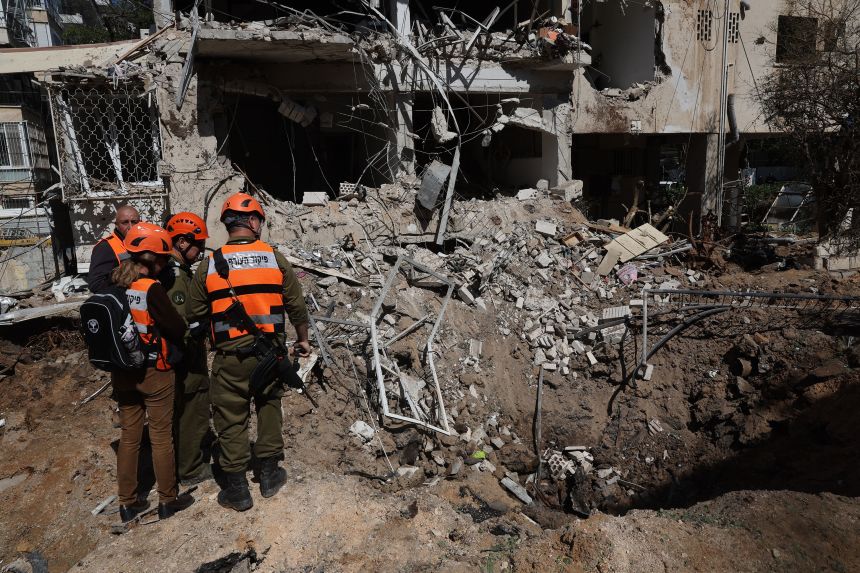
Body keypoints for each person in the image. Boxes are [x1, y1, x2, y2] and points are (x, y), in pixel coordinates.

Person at [188, 192, 310, 512]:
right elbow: (296, 305)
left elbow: (194, 313)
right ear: (253, 222)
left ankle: (238, 489)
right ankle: (269, 475)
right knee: (269, 406)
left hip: (229, 359)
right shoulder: (273, 257)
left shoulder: (210, 265)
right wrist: (304, 338)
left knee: (231, 419)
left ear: (229, 225)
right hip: (269, 354)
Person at [111, 222, 194, 522]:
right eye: (163, 258)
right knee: (161, 437)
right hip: (153, 372)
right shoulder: (151, 288)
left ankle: (126, 503)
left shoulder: (116, 284)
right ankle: (167, 500)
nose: (164, 264)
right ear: (152, 258)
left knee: (130, 436)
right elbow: (176, 326)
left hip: (122, 373)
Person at [162, 212, 213, 486]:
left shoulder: (173, 271)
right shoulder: (176, 278)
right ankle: (191, 469)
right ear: (182, 242)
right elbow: (183, 323)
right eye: (199, 244)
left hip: (173, 357)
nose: (201, 251)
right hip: (186, 358)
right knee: (193, 407)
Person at [87, 205, 140, 294]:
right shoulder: (105, 247)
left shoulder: (143, 241)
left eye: (134, 222)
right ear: (116, 225)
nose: (131, 227)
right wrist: (121, 277)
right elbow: (95, 285)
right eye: (125, 222)